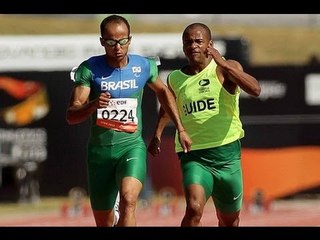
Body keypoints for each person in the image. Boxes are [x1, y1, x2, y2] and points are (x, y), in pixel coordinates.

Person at [66, 14, 192, 227]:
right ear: (102, 42)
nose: (118, 47)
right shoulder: (89, 69)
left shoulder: (144, 66)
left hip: (131, 147)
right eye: (111, 42)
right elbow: (72, 114)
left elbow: (164, 92)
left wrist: (180, 127)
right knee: (104, 222)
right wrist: (93, 104)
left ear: (130, 40)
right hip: (100, 152)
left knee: (129, 199)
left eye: (123, 41)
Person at [148, 23, 261, 227]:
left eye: (199, 41)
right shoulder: (175, 78)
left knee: (230, 220)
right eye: (188, 42)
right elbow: (167, 107)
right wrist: (157, 133)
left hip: (227, 156)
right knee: (193, 208)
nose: (193, 46)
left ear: (210, 44)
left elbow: (255, 89)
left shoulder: (227, 68)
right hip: (194, 155)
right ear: (183, 47)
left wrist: (223, 64)